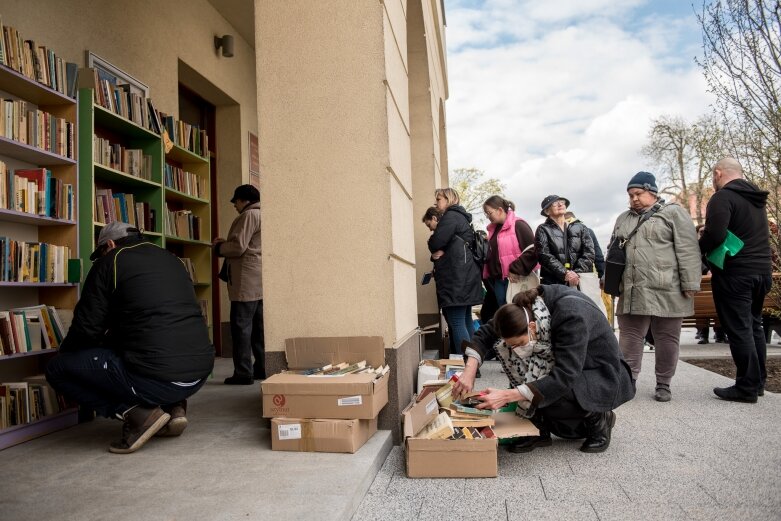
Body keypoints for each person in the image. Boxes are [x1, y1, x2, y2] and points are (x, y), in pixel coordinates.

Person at [45, 221, 215, 454]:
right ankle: (174, 407)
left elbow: (86, 329)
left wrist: (68, 353)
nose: (101, 257)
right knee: (148, 349)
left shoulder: (110, 262)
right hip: (198, 374)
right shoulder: (172, 259)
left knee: (58, 369)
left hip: (159, 378)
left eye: (102, 251)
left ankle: (138, 414)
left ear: (110, 244)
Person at [452, 285, 635, 453]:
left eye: (519, 343)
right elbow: (485, 334)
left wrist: (507, 395)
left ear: (532, 327)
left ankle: (598, 418)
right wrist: (469, 371)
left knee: (554, 393)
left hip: (599, 371)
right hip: (570, 364)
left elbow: (564, 376)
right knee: (529, 375)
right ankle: (539, 428)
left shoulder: (570, 317)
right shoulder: (521, 310)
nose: (515, 350)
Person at [609, 172, 701, 402]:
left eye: (638, 194)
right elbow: (613, 250)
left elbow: (688, 250)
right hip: (632, 288)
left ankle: (664, 383)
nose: (634, 199)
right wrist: (608, 277)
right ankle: (628, 381)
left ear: (652, 191)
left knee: (667, 338)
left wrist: (690, 283)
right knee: (629, 337)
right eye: (630, 195)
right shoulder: (623, 218)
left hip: (668, 287)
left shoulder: (673, 213)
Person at [700, 157, 772, 403]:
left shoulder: (723, 197)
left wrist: (701, 243)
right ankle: (758, 382)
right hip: (762, 271)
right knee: (754, 326)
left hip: (736, 274)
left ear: (718, 173)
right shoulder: (756, 199)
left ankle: (746, 387)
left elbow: (716, 235)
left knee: (740, 328)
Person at [213, 184, 264, 385]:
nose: (234, 205)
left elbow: (238, 247)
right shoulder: (262, 214)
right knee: (259, 328)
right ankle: (262, 367)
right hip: (258, 279)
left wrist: (218, 247)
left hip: (245, 281)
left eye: (235, 201)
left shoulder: (248, 215)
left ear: (244, 200)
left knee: (241, 328)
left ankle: (243, 373)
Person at [427, 188, 483, 355]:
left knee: (457, 321)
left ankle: (465, 365)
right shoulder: (462, 217)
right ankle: (473, 364)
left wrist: (435, 243)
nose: (436, 203)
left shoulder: (450, 217)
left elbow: (436, 242)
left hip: (456, 279)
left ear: (449, 199)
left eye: (439, 199)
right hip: (465, 277)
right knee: (465, 320)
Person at [482, 195, 537, 306]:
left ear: (500, 210)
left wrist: (515, 269)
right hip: (499, 279)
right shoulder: (494, 229)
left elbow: (533, 250)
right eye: (486, 214)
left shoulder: (519, 225)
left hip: (517, 278)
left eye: (489, 213)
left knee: (518, 311)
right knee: (504, 312)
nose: (488, 216)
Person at [535, 195, 595, 287]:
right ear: (547, 211)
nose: (560, 204)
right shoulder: (543, 229)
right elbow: (544, 255)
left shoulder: (580, 227)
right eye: (555, 203)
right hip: (553, 282)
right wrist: (565, 274)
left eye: (562, 202)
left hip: (580, 280)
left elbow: (589, 252)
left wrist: (576, 273)